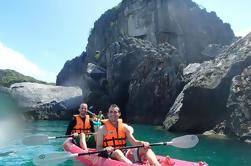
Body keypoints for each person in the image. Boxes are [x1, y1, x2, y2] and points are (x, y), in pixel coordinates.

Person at [96, 104, 161, 165]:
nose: (113, 114)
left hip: (124, 152)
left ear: (119, 114)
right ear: (108, 114)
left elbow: (134, 143)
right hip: (111, 153)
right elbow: (98, 148)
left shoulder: (124, 127)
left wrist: (143, 143)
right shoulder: (102, 129)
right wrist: (105, 149)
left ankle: (157, 165)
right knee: (117, 152)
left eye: (115, 112)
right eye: (111, 112)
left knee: (146, 149)